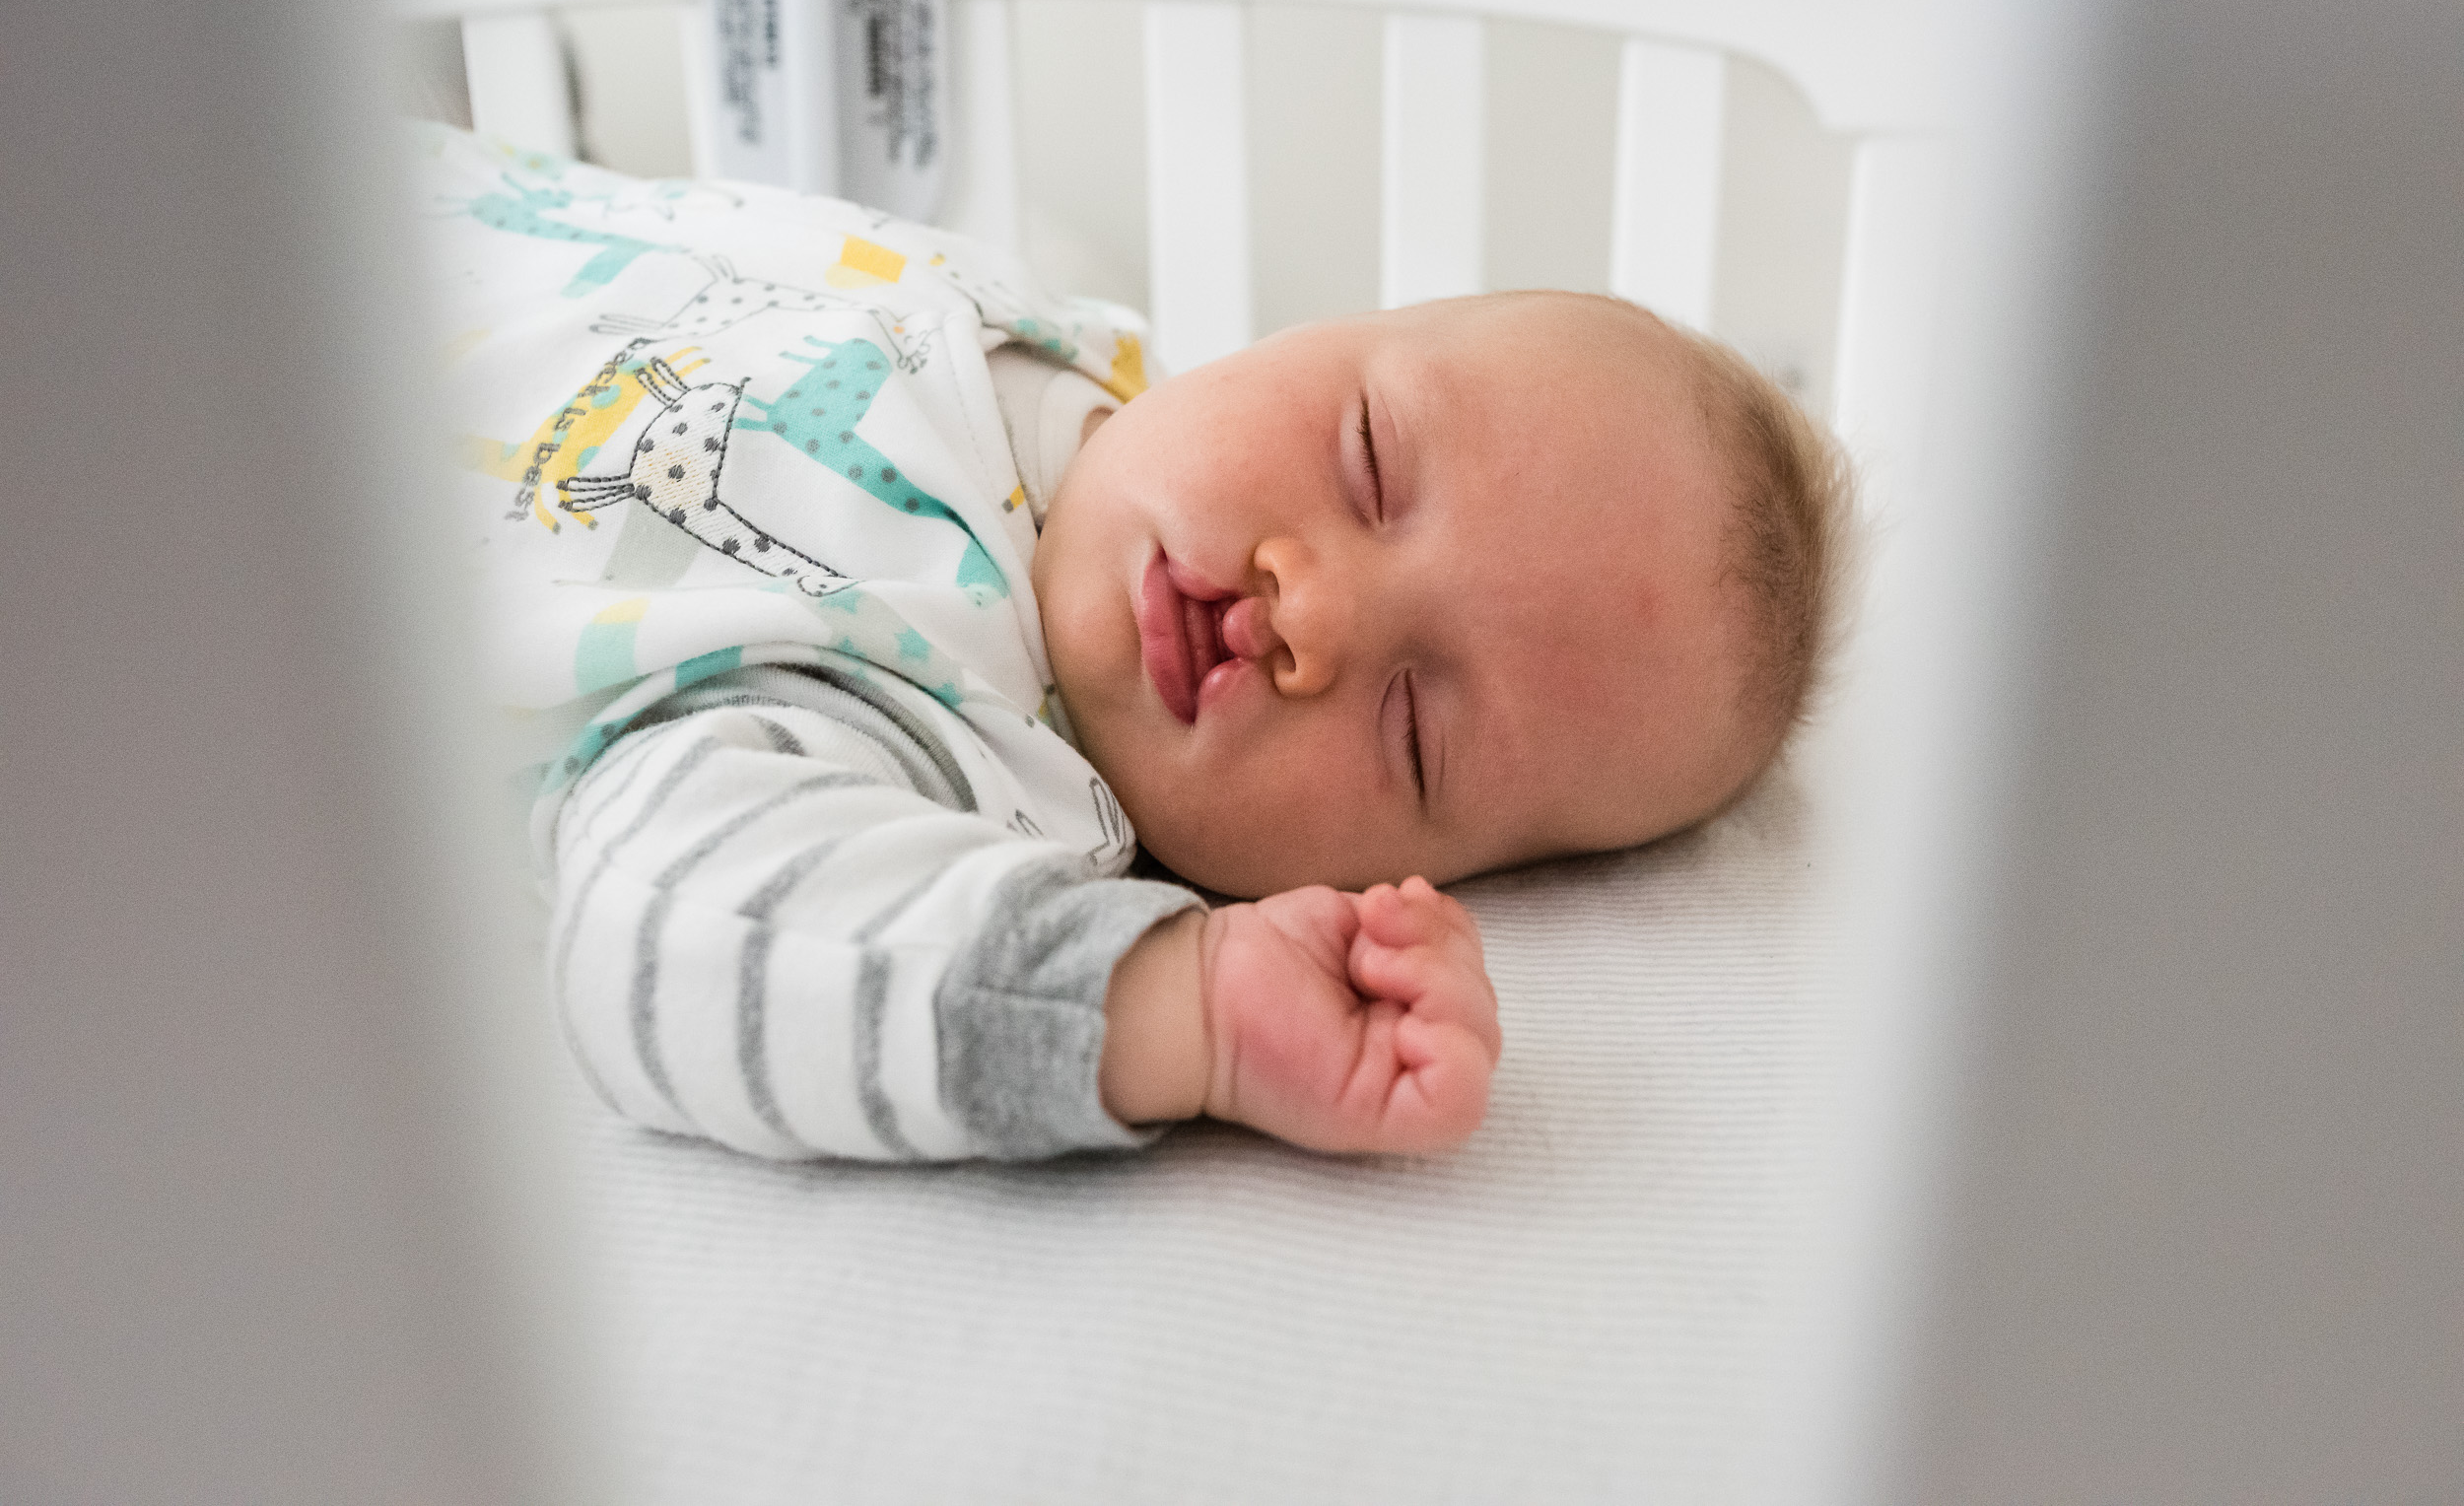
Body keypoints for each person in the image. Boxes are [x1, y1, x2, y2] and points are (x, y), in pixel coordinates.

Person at [419, 124, 1850, 1165]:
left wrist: (1173, 1005)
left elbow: (670, 922)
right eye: (1366, 458)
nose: (1319, 616)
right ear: (1310, 331)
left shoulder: (951, 755)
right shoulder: (1037, 337)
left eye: (1415, 732)